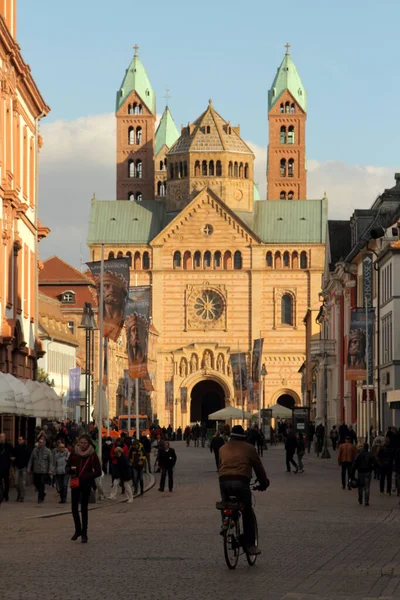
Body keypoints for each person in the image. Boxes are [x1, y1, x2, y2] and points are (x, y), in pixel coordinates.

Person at [218, 425, 269, 556]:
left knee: (226, 503)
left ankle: (226, 522)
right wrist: (264, 483)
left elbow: (220, 465)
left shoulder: (222, 448)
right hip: (241, 482)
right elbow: (259, 468)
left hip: (223, 481)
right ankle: (250, 545)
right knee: (247, 512)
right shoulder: (249, 448)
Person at [66, 434, 101, 543]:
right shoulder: (74, 453)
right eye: (81, 443)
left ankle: (84, 534)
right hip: (75, 483)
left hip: (86, 484)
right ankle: (78, 530)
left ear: (89, 443)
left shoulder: (92, 455)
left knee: (84, 509)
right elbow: (67, 466)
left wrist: (87, 476)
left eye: (85, 443)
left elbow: (98, 471)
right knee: (74, 508)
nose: (82, 445)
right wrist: (70, 471)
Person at [27, 437, 53, 503]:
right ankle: (42, 494)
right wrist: (28, 468)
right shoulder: (35, 450)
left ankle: (40, 498)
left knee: (41, 484)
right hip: (36, 470)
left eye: (41, 442)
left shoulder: (48, 451)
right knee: (36, 483)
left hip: (43, 470)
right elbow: (31, 460)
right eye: (39, 442)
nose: (40, 443)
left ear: (44, 443)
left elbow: (50, 461)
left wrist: (50, 470)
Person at [12, 435, 31, 502]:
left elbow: (29, 458)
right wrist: (13, 460)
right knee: (16, 483)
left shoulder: (26, 448)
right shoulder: (16, 447)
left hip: (24, 467)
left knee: (23, 483)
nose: (18, 440)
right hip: (17, 466)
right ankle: (19, 493)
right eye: (18, 439)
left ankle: (22, 497)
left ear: (23, 440)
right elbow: (13, 455)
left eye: (20, 439)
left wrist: (28, 467)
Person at [0, 433, 13, 502]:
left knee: (6, 481)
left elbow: (13, 453)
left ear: (5, 438)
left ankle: (6, 495)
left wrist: (11, 460)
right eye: (0, 437)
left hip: (6, 467)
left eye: (2, 437)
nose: (1, 438)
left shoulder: (9, 446)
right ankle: (1, 494)